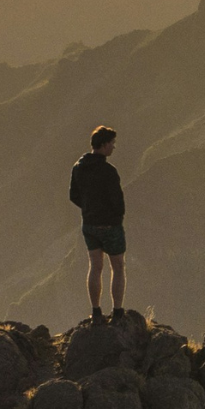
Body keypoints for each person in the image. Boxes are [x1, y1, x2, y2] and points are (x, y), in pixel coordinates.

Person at [68, 125, 128, 323]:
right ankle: (117, 312)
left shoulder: (78, 167)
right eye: (112, 143)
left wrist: (88, 208)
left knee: (95, 267)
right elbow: (117, 201)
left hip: (90, 224)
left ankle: (96, 312)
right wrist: (116, 215)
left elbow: (73, 195)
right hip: (110, 225)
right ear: (103, 145)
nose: (114, 147)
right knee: (118, 267)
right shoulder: (109, 171)